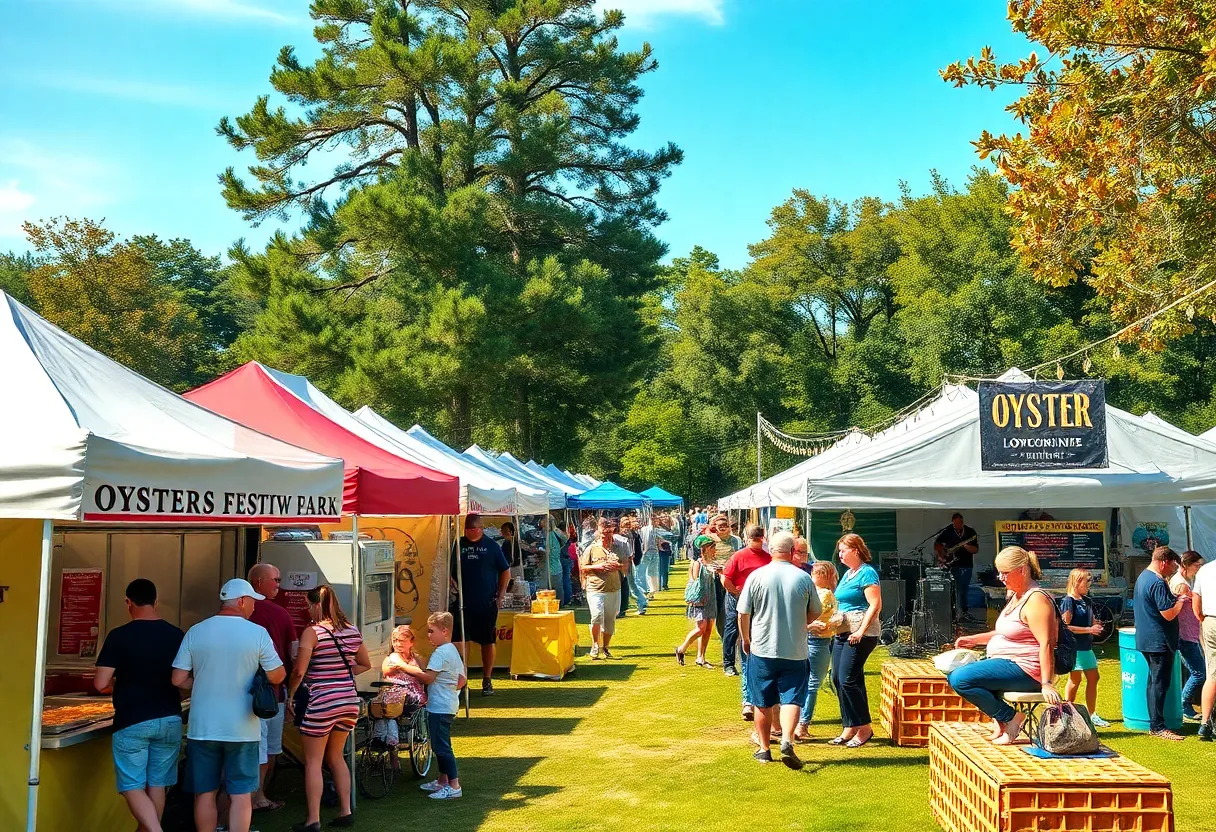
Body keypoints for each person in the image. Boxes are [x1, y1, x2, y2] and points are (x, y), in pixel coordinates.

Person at [171, 579, 285, 832]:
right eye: (253, 601)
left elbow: (177, 679)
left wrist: (202, 682)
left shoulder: (196, 631)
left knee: (204, 793)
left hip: (203, 727)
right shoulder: (257, 633)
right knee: (241, 795)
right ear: (242, 601)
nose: (254, 607)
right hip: (243, 728)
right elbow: (278, 675)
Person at [93, 579, 185, 832]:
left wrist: (123, 684)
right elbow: (184, 679)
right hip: (170, 717)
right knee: (157, 784)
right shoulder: (176, 634)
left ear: (128, 602)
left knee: (132, 786)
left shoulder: (119, 636)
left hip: (132, 720)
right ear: (156, 602)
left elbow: (100, 683)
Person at [946, 546, 1062, 745]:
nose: (1001, 577)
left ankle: (1011, 718)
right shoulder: (1015, 597)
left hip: (1027, 670)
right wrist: (974, 639)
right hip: (1008, 663)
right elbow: (1004, 632)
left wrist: (1046, 684)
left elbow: (1046, 643)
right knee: (953, 669)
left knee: (960, 678)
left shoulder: (1036, 600)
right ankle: (1001, 721)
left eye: (1005, 573)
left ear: (1023, 570)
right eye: (999, 572)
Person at [286, 584, 371, 830]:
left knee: (313, 762)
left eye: (307, 605)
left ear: (315, 605)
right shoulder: (351, 629)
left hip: (321, 701)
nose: (306, 610)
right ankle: (345, 811)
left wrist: (291, 694)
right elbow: (364, 663)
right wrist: (339, 674)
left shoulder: (312, 632)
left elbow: (299, 671)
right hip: (348, 701)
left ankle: (313, 819)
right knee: (336, 757)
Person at [737, 531, 821, 770]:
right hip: (795, 648)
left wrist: (746, 639)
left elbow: (743, 612)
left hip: (762, 647)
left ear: (770, 550)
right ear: (793, 551)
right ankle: (786, 739)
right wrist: (800, 622)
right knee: (792, 698)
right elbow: (816, 610)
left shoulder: (757, 576)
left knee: (762, 701)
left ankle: (764, 749)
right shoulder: (803, 577)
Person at [398, 612, 467, 800]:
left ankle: (454, 785)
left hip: (439, 707)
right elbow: (462, 679)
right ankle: (442, 780)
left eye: (431, 631)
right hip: (448, 705)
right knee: (442, 744)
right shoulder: (451, 650)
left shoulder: (441, 652)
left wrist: (405, 668)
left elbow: (428, 677)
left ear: (444, 631)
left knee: (441, 747)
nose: (428, 635)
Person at [247, 562, 296, 814]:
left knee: (256, 748)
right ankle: (259, 797)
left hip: (243, 694)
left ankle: (251, 798)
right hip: (272, 693)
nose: (279, 584)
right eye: (275, 580)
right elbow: (293, 653)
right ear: (258, 582)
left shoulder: (239, 614)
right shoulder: (279, 614)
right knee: (269, 749)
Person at [830, 533, 882, 748]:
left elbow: (875, 604)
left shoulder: (867, 573)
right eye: (839, 551)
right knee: (837, 679)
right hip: (843, 631)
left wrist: (861, 630)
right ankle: (849, 725)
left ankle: (864, 728)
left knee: (848, 680)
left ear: (856, 550)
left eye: (843, 550)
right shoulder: (848, 573)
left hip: (862, 633)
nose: (840, 555)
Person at [1134, 546, 1190, 740]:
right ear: (1164, 561)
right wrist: (1180, 602)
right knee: (1159, 683)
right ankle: (1157, 726)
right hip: (1159, 641)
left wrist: (1173, 598)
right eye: (1173, 565)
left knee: (1154, 682)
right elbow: (1167, 614)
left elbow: (1157, 604)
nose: (1173, 569)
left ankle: (1155, 723)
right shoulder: (1157, 582)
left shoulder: (1143, 577)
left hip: (1146, 639)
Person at [452, 514, 511, 696]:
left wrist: (500, 595)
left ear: (481, 528)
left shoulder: (492, 546)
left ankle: (487, 679)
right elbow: (448, 566)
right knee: (462, 641)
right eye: (468, 530)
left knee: (487, 640)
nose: (471, 533)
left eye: (474, 529)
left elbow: (505, 571)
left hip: (486, 602)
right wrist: (451, 581)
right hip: (462, 602)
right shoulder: (458, 545)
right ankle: (463, 679)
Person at [723, 524, 772, 721]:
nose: (759, 540)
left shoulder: (768, 558)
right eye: (758, 538)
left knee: (751, 653)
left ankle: (751, 701)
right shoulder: (739, 556)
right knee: (742, 645)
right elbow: (725, 579)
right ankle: (748, 700)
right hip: (742, 603)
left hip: (760, 608)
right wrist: (737, 593)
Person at [795, 561, 843, 741]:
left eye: (813, 573)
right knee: (813, 683)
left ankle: (796, 722)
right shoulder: (825, 594)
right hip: (819, 641)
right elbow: (818, 614)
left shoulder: (808, 591)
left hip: (803, 639)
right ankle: (802, 724)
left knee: (801, 682)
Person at [370, 625, 427, 768]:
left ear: (411, 642)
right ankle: (389, 746)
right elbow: (387, 669)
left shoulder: (418, 659)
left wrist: (404, 668)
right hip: (393, 696)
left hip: (412, 697)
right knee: (386, 711)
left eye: (402, 640)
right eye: (395, 640)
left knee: (389, 711)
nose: (398, 644)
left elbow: (423, 675)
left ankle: (388, 749)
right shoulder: (391, 657)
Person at [1060, 569, 1110, 727]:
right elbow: (1065, 626)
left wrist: (1096, 625)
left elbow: (1091, 620)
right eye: (1086, 582)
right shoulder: (1068, 601)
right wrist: (1089, 630)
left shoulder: (1087, 601)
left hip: (1086, 646)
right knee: (1076, 680)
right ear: (1076, 581)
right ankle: (1066, 712)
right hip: (1075, 647)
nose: (1089, 585)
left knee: (1092, 678)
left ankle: (1089, 714)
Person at [580, 517, 626, 659]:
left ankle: (605, 646)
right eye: (603, 533)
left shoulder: (618, 547)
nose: (606, 536)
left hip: (614, 588)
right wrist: (598, 567)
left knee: (610, 619)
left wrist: (617, 566)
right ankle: (595, 645)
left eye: (609, 533)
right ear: (598, 532)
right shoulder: (591, 548)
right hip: (595, 588)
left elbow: (625, 565)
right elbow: (583, 567)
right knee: (596, 616)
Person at [1171, 550, 1206, 721]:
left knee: (1193, 671)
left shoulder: (1184, 581)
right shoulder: (1181, 584)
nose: (1198, 568)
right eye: (1196, 565)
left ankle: (1186, 704)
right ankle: (1184, 704)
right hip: (1185, 635)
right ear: (1186, 565)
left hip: (1189, 634)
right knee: (1199, 673)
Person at [676, 535, 721, 667]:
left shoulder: (712, 562)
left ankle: (701, 657)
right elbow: (694, 582)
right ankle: (681, 649)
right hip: (700, 599)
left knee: (708, 629)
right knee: (701, 628)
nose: (715, 550)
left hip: (711, 598)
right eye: (713, 547)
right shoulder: (698, 563)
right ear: (706, 548)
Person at [707, 514, 744, 674]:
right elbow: (706, 557)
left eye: (725, 525)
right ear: (716, 527)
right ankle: (724, 635)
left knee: (730, 613)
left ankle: (731, 641)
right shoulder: (711, 540)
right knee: (719, 610)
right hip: (716, 578)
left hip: (731, 579)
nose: (723, 528)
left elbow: (740, 557)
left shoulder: (736, 540)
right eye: (720, 526)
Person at [935, 512, 979, 622]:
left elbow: (975, 550)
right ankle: (953, 613)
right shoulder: (948, 531)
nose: (958, 525)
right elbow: (937, 543)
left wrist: (964, 545)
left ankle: (964, 613)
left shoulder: (970, 532)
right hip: (952, 565)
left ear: (962, 522)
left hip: (966, 565)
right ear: (953, 523)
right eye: (956, 523)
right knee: (952, 590)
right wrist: (942, 555)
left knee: (963, 590)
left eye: (960, 523)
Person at [1191, 554, 1216, 740]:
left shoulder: (1205, 570)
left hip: (1209, 621)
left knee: (1212, 674)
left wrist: (1202, 619)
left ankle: (1204, 724)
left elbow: (1195, 601)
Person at [618, 515, 649, 616]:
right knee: (632, 585)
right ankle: (641, 603)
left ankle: (642, 602)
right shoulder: (633, 534)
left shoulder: (624, 535)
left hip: (626, 562)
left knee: (631, 586)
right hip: (631, 561)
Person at [639, 514, 662, 597]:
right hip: (646, 553)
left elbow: (659, 541)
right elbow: (642, 541)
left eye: (654, 519)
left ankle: (652, 590)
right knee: (644, 571)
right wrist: (643, 551)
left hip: (655, 552)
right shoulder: (644, 529)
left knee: (653, 572)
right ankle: (646, 589)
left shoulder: (657, 530)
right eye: (652, 519)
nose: (653, 521)